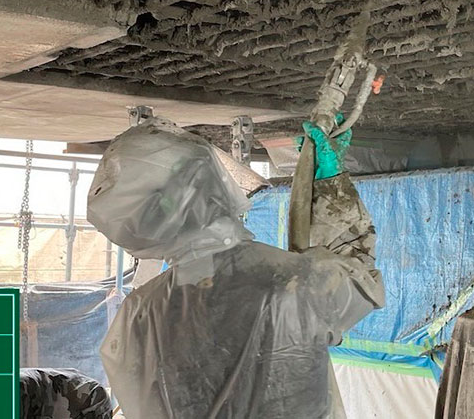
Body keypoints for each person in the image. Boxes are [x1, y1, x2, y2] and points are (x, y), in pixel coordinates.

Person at [87, 116, 384, 418]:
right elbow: (360, 278)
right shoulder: (287, 284)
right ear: (213, 180)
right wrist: (330, 185)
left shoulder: (138, 315)